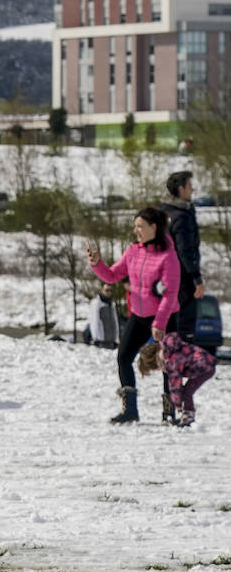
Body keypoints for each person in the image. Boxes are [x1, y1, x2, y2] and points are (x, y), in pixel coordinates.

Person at [87, 206, 182, 424]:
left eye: (140, 226)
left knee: (168, 363)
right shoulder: (133, 251)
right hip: (139, 315)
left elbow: (170, 293)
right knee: (123, 357)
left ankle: (169, 412)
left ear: (153, 227)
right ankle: (130, 409)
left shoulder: (168, 257)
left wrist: (159, 322)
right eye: (135, 226)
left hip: (165, 317)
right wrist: (96, 264)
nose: (136, 230)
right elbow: (111, 276)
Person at [159, 170, 205, 421]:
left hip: (167, 283)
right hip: (183, 285)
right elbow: (187, 252)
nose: (192, 189)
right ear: (180, 189)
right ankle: (180, 403)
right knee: (180, 345)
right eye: (189, 186)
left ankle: (170, 405)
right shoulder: (182, 217)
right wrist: (196, 278)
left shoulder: (165, 212)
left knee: (171, 344)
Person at [138, 333, 215, 428]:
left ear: (156, 363)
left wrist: (177, 403)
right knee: (185, 391)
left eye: (157, 368)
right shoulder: (170, 349)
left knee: (187, 392)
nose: (160, 370)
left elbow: (175, 383)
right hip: (206, 363)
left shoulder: (171, 361)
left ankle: (188, 417)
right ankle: (187, 414)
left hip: (205, 368)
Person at [86, 281, 119, 349]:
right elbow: (94, 321)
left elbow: (115, 322)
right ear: (102, 290)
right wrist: (96, 338)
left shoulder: (111, 303)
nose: (109, 292)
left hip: (111, 341)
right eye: (107, 290)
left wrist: (116, 339)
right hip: (101, 342)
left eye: (110, 290)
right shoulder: (97, 303)